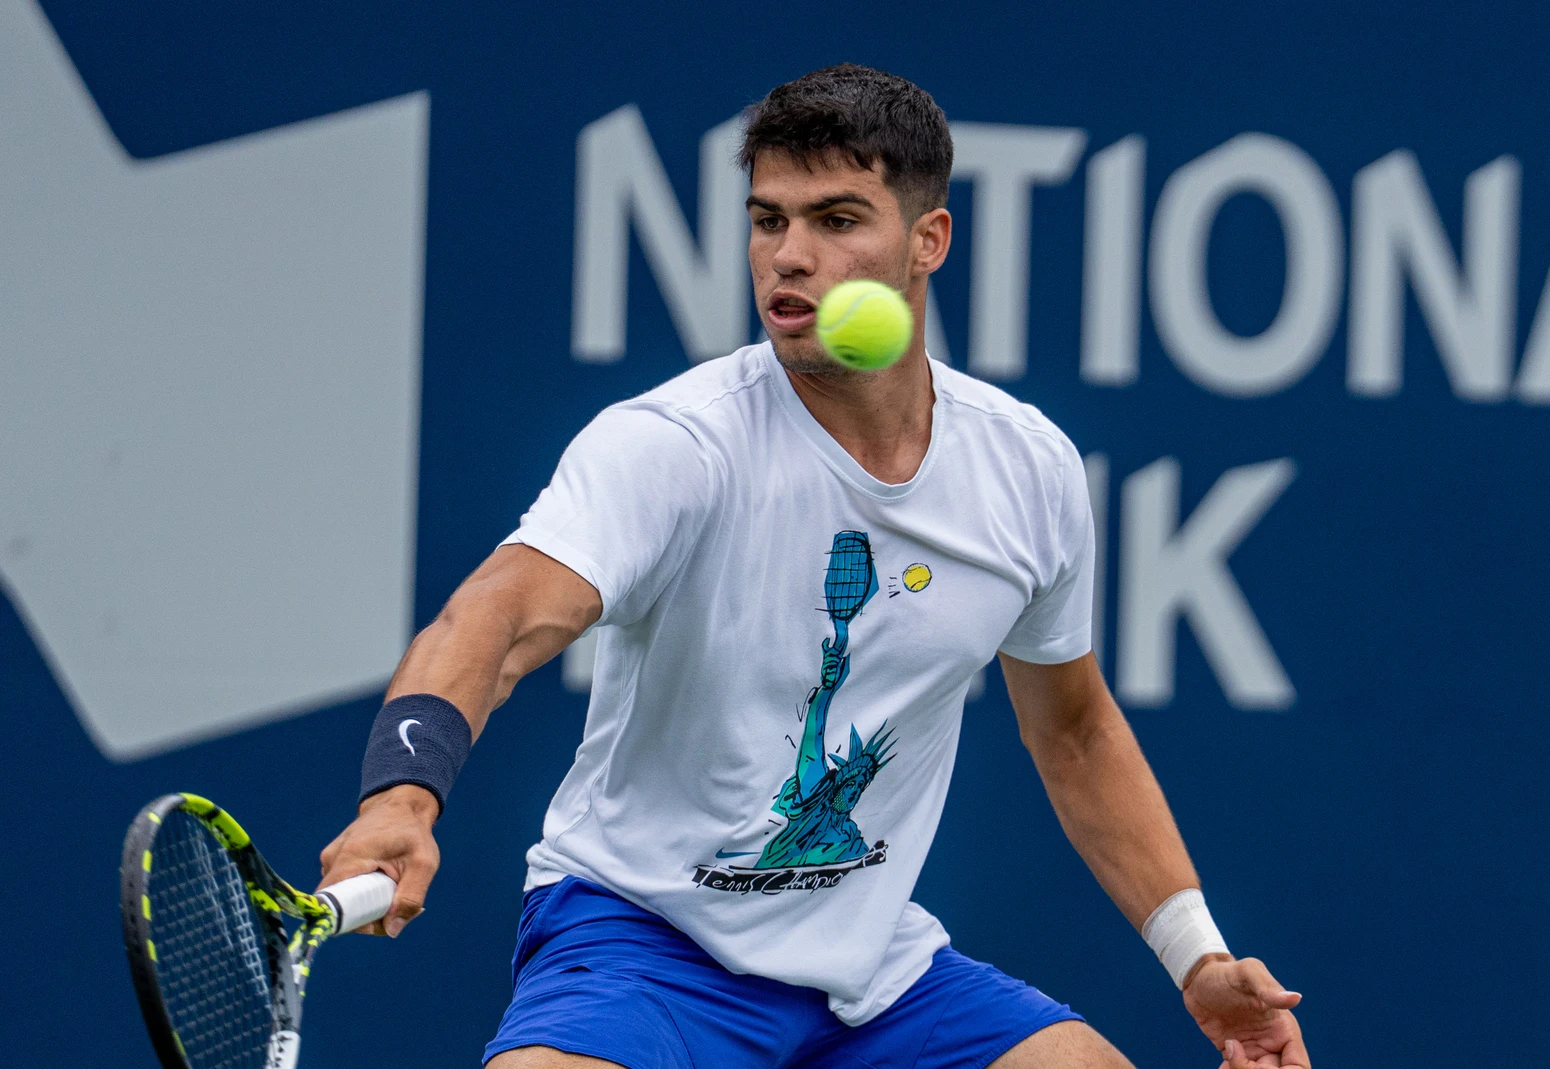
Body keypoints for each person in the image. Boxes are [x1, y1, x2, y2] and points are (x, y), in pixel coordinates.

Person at [317, 63, 1309, 1069]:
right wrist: (401, 798)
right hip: (646, 942)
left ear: (929, 241)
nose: (789, 257)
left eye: (837, 219)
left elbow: (1076, 730)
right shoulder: (675, 445)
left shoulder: (1026, 467)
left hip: (872, 973)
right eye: (767, 219)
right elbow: (494, 618)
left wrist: (1197, 960)